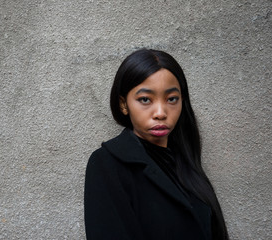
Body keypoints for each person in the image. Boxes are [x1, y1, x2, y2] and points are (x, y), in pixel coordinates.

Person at [84, 49, 229, 240]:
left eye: (171, 99)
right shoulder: (106, 164)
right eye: (145, 99)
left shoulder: (185, 160)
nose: (160, 112)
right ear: (123, 104)